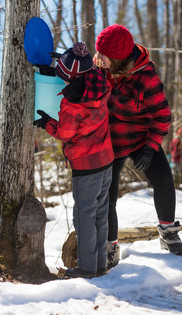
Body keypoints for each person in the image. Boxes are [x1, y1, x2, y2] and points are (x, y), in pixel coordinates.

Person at [94, 24, 182, 268]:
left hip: (141, 136)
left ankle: (168, 233)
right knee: (108, 194)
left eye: (103, 55)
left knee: (164, 181)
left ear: (116, 57)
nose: (98, 58)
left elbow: (162, 115)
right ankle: (110, 245)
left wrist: (150, 147)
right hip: (111, 138)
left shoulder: (146, 77)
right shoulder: (99, 67)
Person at [34, 42, 113, 278]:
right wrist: (63, 62)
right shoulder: (101, 83)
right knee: (100, 212)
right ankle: (100, 263)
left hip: (86, 166)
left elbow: (65, 133)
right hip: (106, 160)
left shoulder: (72, 103)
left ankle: (88, 267)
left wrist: (47, 122)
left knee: (85, 215)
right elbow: (82, 70)